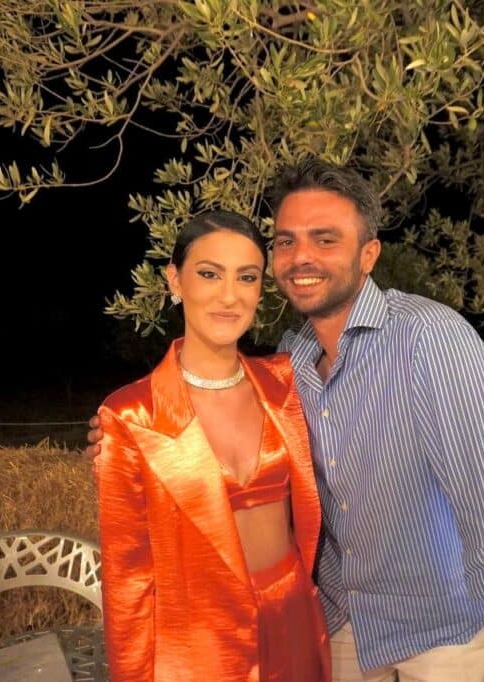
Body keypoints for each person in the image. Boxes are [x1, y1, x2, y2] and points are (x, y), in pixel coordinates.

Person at [89, 161, 484, 681]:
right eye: (286, 241)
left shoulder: (428, 340)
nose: (301, 257)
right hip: (336, 629)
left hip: (439, 640)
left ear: (369, 254)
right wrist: (131, 435)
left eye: (325, 239)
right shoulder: (290, 365)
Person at [92, 210, 330, 681]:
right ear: (174, 280)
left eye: (247, 277)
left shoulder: (286, 384)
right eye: (209, 274)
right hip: (199, 647)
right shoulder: (131, 417)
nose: (229, 295)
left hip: (294, 622)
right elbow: (128, 582)